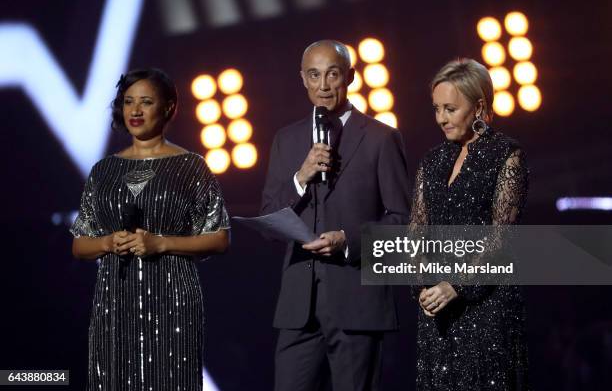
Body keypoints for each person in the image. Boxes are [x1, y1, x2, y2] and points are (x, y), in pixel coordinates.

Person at [260, 40, 411, 391]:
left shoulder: (380, 138)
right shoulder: (286, 140)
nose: (324, 85)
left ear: (351, 76)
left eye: (332, 74)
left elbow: (403, 222)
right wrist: (301, 176)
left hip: (356, 302)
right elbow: (268, 217)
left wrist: (349, 241)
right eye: (314, 75)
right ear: (303, 79)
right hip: (298, 307)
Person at [70, 68, 230, 390]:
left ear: (168, 107)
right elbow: (79, 245)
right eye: (129, 102)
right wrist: (107, 242)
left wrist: (161, 244)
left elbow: (220, 238)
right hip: (114, 302)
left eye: (146, 102)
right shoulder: (103, 171)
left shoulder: (191, 166)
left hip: (173, 302)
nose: (136, 111)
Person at [410, 58, 529, 390]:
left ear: (478, 107)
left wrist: (456, 286)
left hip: (486, 308)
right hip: (436, 309)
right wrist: (422, 285)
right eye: (436, 109)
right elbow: (417, 230)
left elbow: (501, 239)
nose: (441, 118)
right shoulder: (432, 160)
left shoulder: (506, 155)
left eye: (450, 108)